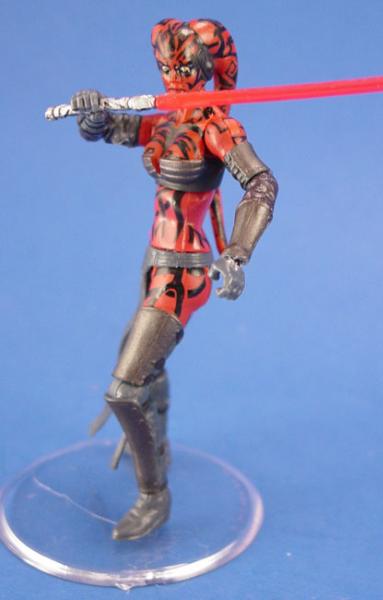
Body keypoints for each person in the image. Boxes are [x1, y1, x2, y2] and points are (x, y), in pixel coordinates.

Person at [71, 18, 278, 541]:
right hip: (153, 261)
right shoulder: (166, 118)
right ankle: (156, 443)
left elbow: (261, 183)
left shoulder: (216, 127)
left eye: (183, 68)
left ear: (204, 68)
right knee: (144, 365)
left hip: (183, 275)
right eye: (166, 67)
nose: (173, 76)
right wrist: (92, 113)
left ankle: (154, 495)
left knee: (123, 390)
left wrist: (237, 252)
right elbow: (113, 130)